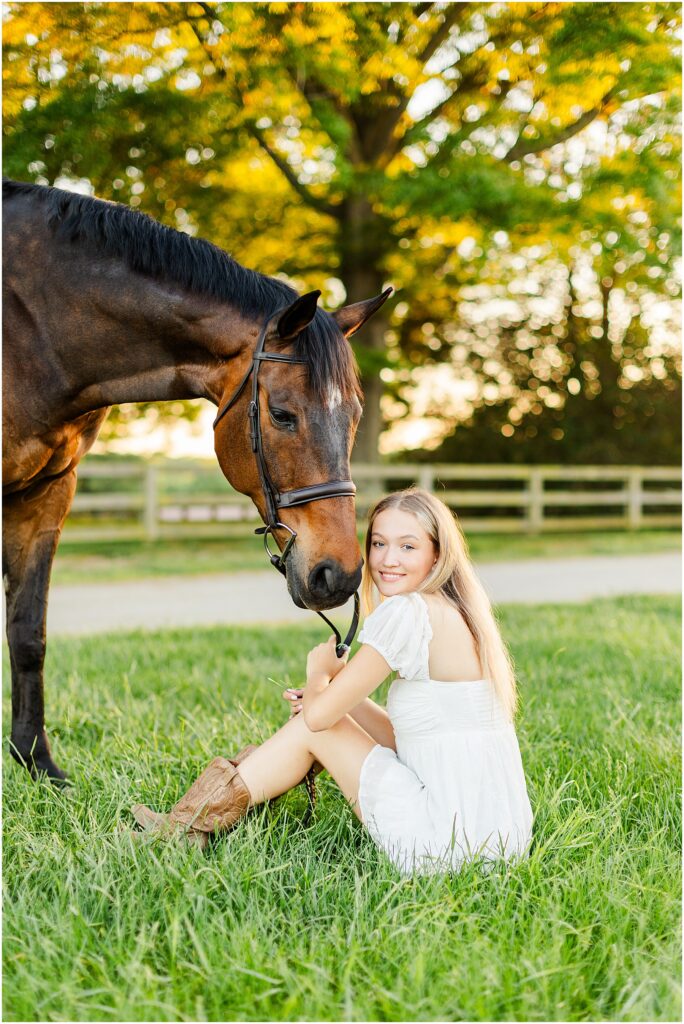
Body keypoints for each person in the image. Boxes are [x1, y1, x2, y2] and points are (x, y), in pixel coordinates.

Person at [131, 488, 533, 876]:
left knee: (310, 726)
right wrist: (339, 693)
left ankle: (186, 829)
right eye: (378, 544)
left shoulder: (409, 612)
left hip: (443, 845)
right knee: (320, 717)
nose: (388, 559)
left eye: (407, 546)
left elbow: (319, 720)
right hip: (498, 840)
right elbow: (404, 737)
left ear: (436, 554)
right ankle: (194, 821)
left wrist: (319, 676)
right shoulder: (456, 611)